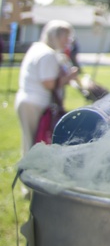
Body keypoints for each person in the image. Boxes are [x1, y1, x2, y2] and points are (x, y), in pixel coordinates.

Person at [15, 20, 78, 157]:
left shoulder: (38, 48)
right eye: (66, 37)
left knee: (31, 142)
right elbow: (48, 84)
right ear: (56, 36)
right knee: (32, 145)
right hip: (35, 103)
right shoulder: (47, 54)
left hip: (29, 100)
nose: (68, 41)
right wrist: (69, 77)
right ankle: (29, 168)